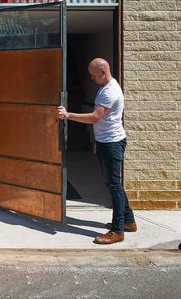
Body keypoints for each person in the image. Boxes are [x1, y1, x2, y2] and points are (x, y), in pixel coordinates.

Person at [57, 57, 136, 245]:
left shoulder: (109, 91)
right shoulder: (107, 87)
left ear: (102, 72)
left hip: (112, 143)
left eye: (93, 75)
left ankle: (117, 231)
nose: (92, 78)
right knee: (113, 183)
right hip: (106, 141)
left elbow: (95, 118)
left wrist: (67, 115)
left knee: (114, 186)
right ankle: (129, 221)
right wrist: (97, 141)